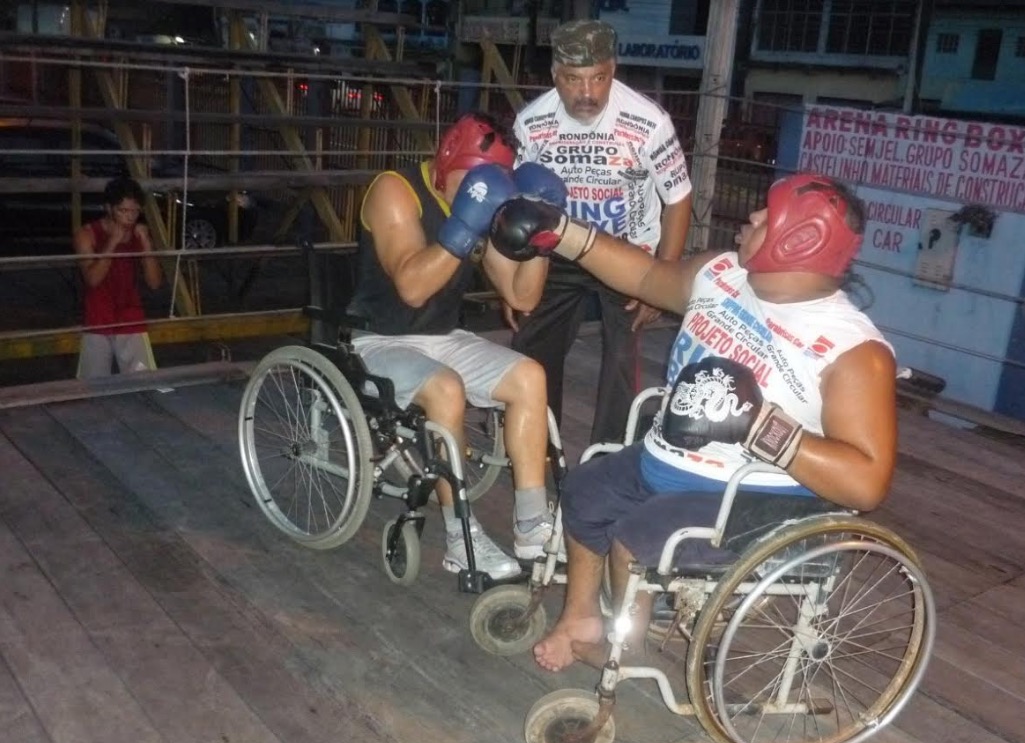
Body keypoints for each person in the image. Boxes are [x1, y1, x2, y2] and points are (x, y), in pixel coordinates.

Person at [488, 172, 898, 671]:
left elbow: (867, 482)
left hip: (747, 495)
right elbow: (643, 277)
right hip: (665, 457)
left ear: (802, 236)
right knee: (585, 490)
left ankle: (627, 643)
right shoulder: (721, 273)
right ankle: (581, 619)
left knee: (634, 536)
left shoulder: (853, 350)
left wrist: (759, 427)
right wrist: (563, 232)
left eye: (768, 214)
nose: (750, 217)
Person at [345, 112, 568, 581]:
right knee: (446, 388)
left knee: (530, 375)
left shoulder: (490, 202)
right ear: (448, 159)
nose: (474, 194)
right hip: (378, 339)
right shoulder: (396, 189)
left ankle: (532, 524)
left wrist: (543, 236)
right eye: (470, 182)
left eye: (484, 186)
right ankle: (460, 538)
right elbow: (411, 286)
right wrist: (465, 223)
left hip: (443, 338)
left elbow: (521, 296)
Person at [506, 19, 693, 444]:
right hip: (559, 248)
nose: (587, 93)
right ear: (555, 75)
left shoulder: (648, 121)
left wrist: (660, 280)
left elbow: (678, 199)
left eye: (599, 78)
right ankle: (541, 443)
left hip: (628, 255)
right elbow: (516, 203)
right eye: (573, 79)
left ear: (613, 70)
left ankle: (609, 455)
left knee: (623, 362)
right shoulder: (533, 123)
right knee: (532, 346)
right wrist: (512, 281)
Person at [73, 176, 164, 379]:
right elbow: (92, 279)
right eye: (124, 210)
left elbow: (155, 283)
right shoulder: (87, 234)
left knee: (143, 381)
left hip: (131, 315)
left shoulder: (138, 234)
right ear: (109, 208)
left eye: (135, 211)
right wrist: (112, 242)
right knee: (93, 385)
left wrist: (147, 244)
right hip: (97, 316)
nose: (130, 217)